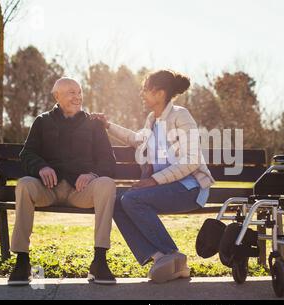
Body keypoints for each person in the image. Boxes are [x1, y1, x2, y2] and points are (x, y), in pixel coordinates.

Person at [91, 70, 215, 283]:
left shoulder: (180, 115)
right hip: (164, 190)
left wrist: (154, 180)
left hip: (189, 187)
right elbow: (137, 139)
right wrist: (108, 126)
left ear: (160, 93)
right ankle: (160, 258)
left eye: (146, 88)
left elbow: (192, 159)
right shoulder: (152, 120)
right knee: (116, 200)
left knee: (132, 198)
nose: (142, 93)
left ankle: (172, 255)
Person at [8, 77, 117, 286]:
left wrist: (92, 173)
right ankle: (22, 261)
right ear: (56, 96)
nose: (77, 97)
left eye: (79, 92)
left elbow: (107, 160)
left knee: (106, 184)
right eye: (70, 93)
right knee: (24, 185)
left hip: (81, 191)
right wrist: (41, 166)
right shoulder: (42, 121)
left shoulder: (93, 124)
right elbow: (27, 153)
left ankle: (100, 261)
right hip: (48, 190)